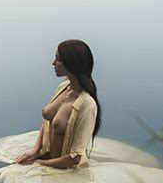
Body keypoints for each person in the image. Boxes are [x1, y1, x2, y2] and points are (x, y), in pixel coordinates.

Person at [15, 39, 101, 170]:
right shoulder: (64, 87)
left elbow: (75, 158)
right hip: (47, 159)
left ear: (72, 63)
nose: (53, 63)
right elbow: (47, 123)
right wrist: (35, 151)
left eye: (58, 59)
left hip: (64, 171)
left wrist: (39, 164)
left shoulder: (87, 105)